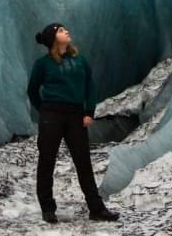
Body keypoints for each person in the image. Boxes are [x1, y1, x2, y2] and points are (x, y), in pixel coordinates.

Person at [27, 22, 120, 224]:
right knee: (47, 161)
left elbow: (89, 86)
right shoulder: (43, 64)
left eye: (64, 29)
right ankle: (48, 208)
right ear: (53, 39)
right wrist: (43, 110)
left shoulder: (80, 60)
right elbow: (32, 90)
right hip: (51, 115)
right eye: (60, 30)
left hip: (76, 116)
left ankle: (96, 209)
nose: (66, 31)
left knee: (83, 162)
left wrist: (89, 111)